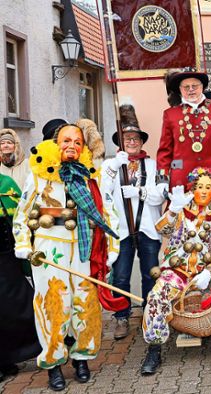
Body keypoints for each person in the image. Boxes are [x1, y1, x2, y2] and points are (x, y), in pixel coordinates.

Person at [14, 124, 120, 390]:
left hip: (85, 251)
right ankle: (54, 364)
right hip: (50, 251)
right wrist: (25, 245)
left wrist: (111, 250)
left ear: (84, 147)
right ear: (55, 142)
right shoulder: (40, 175)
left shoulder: (90, 176)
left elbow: (108, 212)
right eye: (66, 140)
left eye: (77, 141)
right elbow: (22, 214)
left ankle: (82, 358)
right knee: (53, 306)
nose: (71, 145)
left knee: (85, 303)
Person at [140, 168, 211, 375]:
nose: (204, 192)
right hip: (178, 273)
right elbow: (161, 230)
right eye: (199, 187)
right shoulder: (180, 213)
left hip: (207, 275)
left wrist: (210, 272)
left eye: (209, 188)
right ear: (192, 190)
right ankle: (154, 348)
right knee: (157, 294)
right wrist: (173, 210)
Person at [100, 105, 166, 340]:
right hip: (122, 230)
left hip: (147, 227)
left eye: (135, 138)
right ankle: (121, 316)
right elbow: (102, 191)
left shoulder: (153, 165)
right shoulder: (110, 165)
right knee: (121, 276)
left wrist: (139, 192)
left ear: (141, 141)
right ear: (121, 141)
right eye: (127, 138)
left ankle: (150, 312)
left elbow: (161, 194)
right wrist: (116, 166)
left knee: (150, 273)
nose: (132, 142)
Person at [157, 70, 211, 190]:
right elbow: (165, 151)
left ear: (202, 87)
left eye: (194, 86)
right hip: (181, 180)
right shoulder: (170, 114)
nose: (191, 89)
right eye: (186, 87)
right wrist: (162, 180)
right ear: (180, 89)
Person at [0, 173, 41, 382]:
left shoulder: (6, 184)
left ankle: (31, 348)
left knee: (20, 304)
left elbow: (19, 218)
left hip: (7, 259)